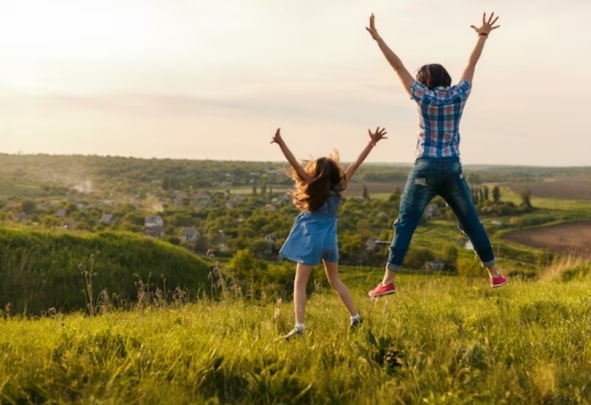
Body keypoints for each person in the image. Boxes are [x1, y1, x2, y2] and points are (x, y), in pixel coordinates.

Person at [365, 12, 507, 298]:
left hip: (425, 167)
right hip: (452, 167)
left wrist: (379, 39)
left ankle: (388, 280)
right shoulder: (459, 94)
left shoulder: (421, 95)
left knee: (406, 222)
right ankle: (494, 275)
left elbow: (397, 66)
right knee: (471, 222)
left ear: (424, 80)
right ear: (445, 78)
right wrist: (482, 36)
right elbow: (471, 63)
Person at [272, 126, 388, 338]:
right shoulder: (340, 186)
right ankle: (355, 317)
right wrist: (372, 143)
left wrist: (281, 143)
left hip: (312, 241)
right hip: (330, 241)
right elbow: (356, 164)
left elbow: (294, 164)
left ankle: (299, 327)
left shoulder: (311, 184)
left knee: (300, 283)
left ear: (315, 173)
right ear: (335, 174)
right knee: (335, 280)